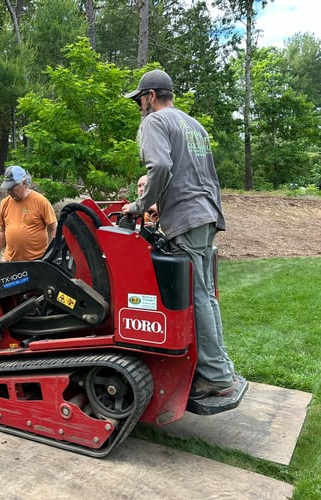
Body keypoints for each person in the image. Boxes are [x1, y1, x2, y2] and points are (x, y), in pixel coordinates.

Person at [122, 69, 236, 399]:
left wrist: (142, 204)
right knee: (205, 294)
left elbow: (160, 167)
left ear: (151, 96)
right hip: (205, 213)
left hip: (187, 217)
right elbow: (202, 174)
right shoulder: (193, 125)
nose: (139, 107)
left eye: (139, 100)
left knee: (198, 295)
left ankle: (215, 375)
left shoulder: (154, 123)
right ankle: (220, 367)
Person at [0, 166, 58, 263]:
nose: (9, 191)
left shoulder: (40, 201)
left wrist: (52, 254)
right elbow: (2, 230)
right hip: (10, 261)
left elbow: (53, 228)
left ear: (24, 183)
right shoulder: (5, 203)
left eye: (12, 187)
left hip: (36, 262)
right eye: (7, 188)